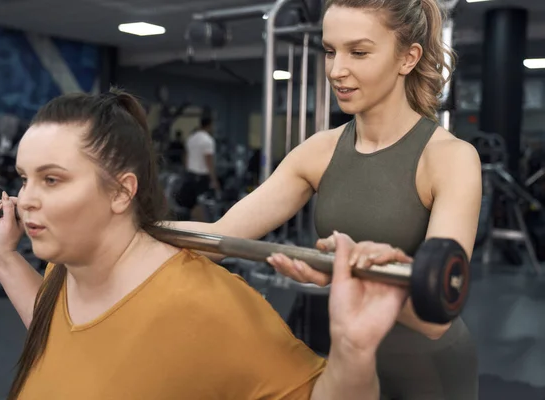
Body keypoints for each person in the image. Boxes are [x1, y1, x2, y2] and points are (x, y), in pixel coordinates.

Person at [0, 89, 417, 399]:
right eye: (25, 178)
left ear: (120, 192)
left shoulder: (203, 303)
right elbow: (63, 340)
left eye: (52, 179)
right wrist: (2, 256)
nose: (25, 199)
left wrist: (353, 351)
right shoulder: (65, 268)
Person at [170, 0, 483, 399]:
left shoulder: (449, 159)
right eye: (330, 51)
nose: (336, 70)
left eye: (359, 52)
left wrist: (344, 276)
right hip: (350, 364)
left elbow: (438, 311)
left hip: (432, 372)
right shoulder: (319, 150)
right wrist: (134, 226)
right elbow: (218, 236)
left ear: (408, 57)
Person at [176, 117, 221, 220]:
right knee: (202, 205)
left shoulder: (191, 138)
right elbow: (209, 162)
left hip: (190, 175)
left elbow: (185, 157)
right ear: (209, 125)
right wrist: (214, 180)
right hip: (201, 177)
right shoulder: (208, 140)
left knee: (190, 205)